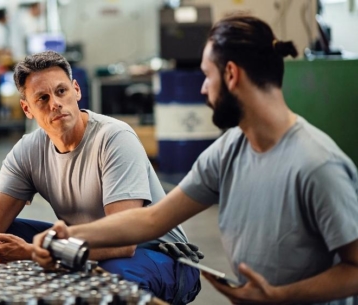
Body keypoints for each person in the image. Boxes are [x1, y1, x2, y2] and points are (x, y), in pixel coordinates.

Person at [32, 15, 358, 305]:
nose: (202, 89)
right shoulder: (230, 149)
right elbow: (152, 220)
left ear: (231, 75)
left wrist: (279, 297)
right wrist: (70, 236)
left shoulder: (317, 165)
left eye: (207, 75)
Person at [0, 51, 202, 304]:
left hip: (159, 258)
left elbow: (124, 243)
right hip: (90, 248)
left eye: (61, 91)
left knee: (110, 276)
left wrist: (34, 253)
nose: (55, 103)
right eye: (42, 98)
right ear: (26, 108)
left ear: (76, 90)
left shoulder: (114, 139)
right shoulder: (28, 150)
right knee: (0, 238)